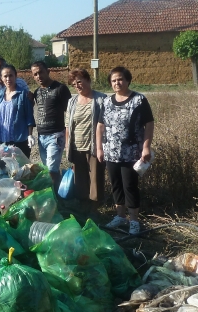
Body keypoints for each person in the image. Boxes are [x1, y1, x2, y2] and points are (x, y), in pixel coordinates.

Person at [96, 66, 154, 236]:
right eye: (113, 80)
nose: (117, 83)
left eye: (120, 79)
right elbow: (100, 126)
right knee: (116, 185)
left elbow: (149, 124)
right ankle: (120, 216)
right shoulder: (106, 102)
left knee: (130, 185)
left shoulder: (139, 100)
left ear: (128, 80)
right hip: (111, 152)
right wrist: (99, 148)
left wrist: (146, 147)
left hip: (132, 152)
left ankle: (134, 221)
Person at [65, 69, 106, 214]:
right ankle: (83, 206)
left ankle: (95, 208)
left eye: (79, 81)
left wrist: (102, 146)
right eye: (74, 84)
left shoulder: (101, 99)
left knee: (95, 177)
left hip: (94, 145)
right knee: (80, 178)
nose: (77, 86)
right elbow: (68, 125)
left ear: (88, 80)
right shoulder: (72, 101)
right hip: (76, 146)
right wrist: (67, 145)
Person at [31, 60, 71, 190]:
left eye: (41, 72)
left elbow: (69, 113)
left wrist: (68, 135)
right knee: (47, 168)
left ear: (48, 71)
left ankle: (57, 196)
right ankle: (54, 193)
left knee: (52, 169)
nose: (39, 76)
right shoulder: (37, 92)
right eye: (35, 74)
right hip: (41, 136)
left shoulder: (60, 89)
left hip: (56, 135)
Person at [0, 64, 35, 157]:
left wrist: (30, 135)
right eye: (5, 76)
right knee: (4, 165)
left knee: (21, 166)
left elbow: (29, 116)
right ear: (1, 78)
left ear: (15, 76)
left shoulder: (23, 94)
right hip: (2, 140)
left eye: (11, 75)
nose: (8, 79)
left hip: (19, 140)